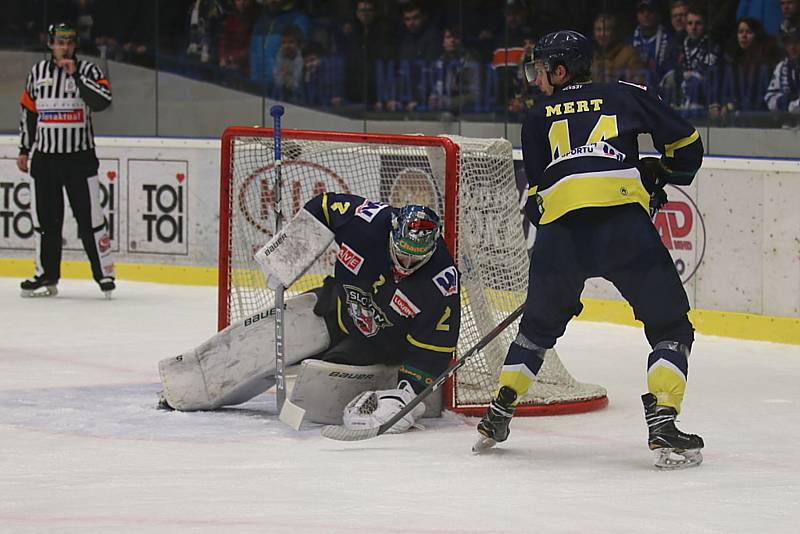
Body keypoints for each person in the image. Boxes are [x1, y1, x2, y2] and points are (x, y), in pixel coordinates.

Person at [473, 30, 705, 469]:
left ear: (560, 70)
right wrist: (661, 173)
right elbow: (687, 145)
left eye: (542, 68)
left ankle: (499, 410)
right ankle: (663, 421)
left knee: (536, 331)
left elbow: (539, 200)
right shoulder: (626, 94)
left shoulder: (538, 116)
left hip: (561, 234)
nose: (538, 77)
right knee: (671, 326)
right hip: (623, 226)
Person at [158, 193, 460, 434]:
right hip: (334, 306)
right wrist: (288, 253)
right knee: (257, 340)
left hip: (373, 348)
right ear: (392, 232)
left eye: (416, 258)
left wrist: (407, 395)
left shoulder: (441, 283)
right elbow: (324, 206)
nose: (405, 264)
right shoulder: (368, 222)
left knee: (315, 397)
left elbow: (433, 349)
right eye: (402, 253)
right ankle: (186, 386)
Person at [17, 22, 115, 298]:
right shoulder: (37, 73)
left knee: (90, 219)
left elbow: (103, 101)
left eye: (70, 42)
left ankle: (104, 275)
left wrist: (77, 79)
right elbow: (29, 113)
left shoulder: (89, 71)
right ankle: (46, 274)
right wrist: (25, 149)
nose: (65, 47)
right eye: (60, 42)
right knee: (46, 221)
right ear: (50, 44)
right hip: (45, 159)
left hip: (79, 159)